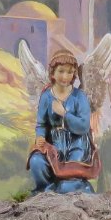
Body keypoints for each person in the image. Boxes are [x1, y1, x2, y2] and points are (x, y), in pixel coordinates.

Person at [27, 49, 98, 194]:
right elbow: (41, 124)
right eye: (61, 71)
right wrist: (40, 136)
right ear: (52, 73)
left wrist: (64, 114)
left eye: (70, 72)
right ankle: (46, 191)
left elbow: (83, 126)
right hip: (54, 146)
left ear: (74, 74)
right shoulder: (46, 97)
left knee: (69, 180)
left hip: (77, 145)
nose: (65, 76)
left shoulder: (79, 97)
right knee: (36, 161)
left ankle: (68, 188)